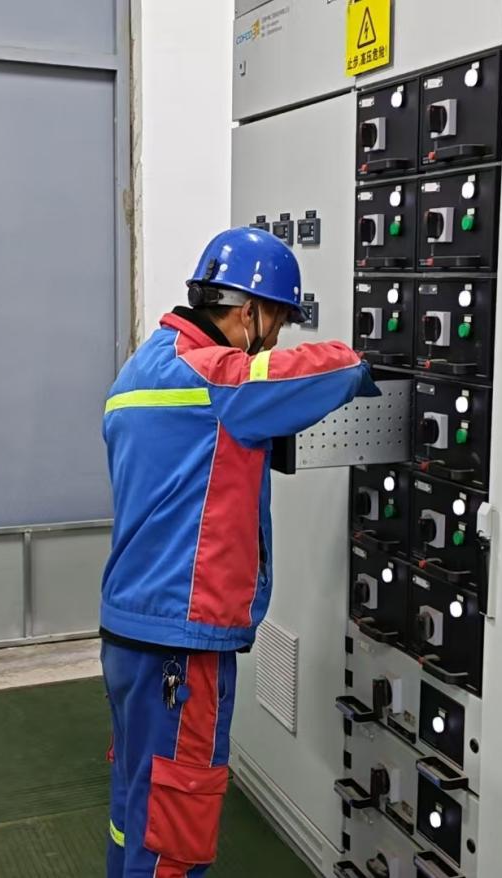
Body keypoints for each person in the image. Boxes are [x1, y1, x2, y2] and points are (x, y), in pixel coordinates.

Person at [100, 227, 376, 877]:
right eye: (277, 321)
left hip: (128, 629)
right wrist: (374, 355)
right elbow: (329, 369)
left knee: (136, 803)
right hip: (181, 642)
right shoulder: (217, 377)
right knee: (175, 824)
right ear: (247, 311)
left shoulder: (140, 369)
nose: (275, 339)